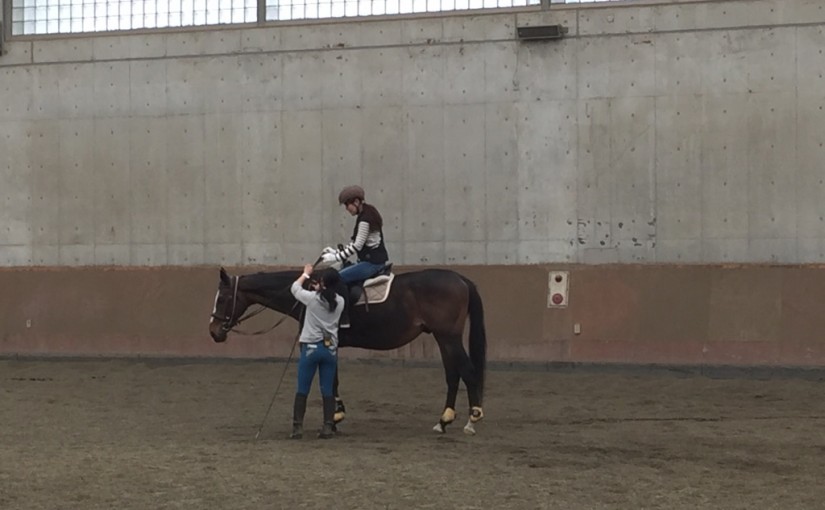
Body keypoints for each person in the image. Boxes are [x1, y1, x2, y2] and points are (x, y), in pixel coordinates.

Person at [320, 185, 390, 328]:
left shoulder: (365, 220)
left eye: (348, 205)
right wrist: (335, 252)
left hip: (372, 263)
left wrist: (336, 258)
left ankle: (344, 318)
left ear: (357, 202)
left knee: (337, 278)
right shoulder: (368, 213)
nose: (347, 209)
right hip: (370, 260)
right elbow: (356, 243)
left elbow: (357, 246)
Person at [289, 264, 344, 439]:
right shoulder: (341, 302)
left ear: (322, 283)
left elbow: (295, 288)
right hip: (330, 350)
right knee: (327, 389)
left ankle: (298, 428)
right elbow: (328, 297)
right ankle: (328, 426)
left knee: (303, 388)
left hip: (311, 349)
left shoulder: (312, 299)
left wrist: (305, 274)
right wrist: (320, 288)